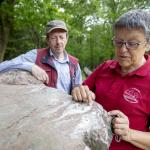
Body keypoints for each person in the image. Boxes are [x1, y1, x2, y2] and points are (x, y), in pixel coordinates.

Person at [71, 9, 150, 150]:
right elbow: (79, 92)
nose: (123, 50)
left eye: (132, 43)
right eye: (118, 42)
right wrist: (78, 91)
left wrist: (129, 133)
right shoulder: (105, 68)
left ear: (148, 44)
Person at [0, 20, 82, 94]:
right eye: (53, 38)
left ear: (66, 39)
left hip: (67, 109)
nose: (58, 42)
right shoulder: (36, 55)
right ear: (47, 40)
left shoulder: (74, 63)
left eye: (61, 37)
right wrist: (31, 67)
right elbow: (3, 66)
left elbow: (78, 89)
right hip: (42, 108)